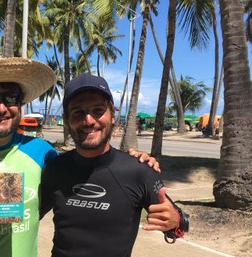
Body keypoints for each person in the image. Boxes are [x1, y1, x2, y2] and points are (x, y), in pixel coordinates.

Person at [0, 57, 161, 257]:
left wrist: (133, 158)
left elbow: (90, 165)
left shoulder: (42, 153)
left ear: (20, 103)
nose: (1, 107)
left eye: (10, 97)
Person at [40, 73, 188, 257]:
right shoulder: (55, 168)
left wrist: (176, 220)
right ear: (66, 118)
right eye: (78, 112)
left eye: (98, 110)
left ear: (112, 115)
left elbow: (176, 223)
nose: (88, 120)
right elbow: (28, 217)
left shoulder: (139, 170)